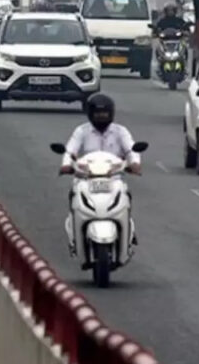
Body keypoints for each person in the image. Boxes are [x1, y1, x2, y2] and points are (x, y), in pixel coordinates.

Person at [60, 94, 141, 251]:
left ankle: (128, 231)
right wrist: (66, 165)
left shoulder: (120, 131)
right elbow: (70, 150)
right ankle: (75, 236)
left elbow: (131, 149)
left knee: (127, 196)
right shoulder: (81, 131)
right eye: (98, 114)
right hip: (86, 178)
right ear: (90, 114)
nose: (101, 118)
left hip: (113, 178)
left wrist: (135, 163)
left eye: (104, 114)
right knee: (73, 195)